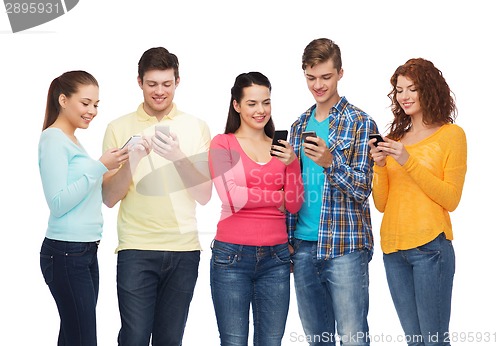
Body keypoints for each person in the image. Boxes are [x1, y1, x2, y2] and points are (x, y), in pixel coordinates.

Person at [102, 47, 212, 346]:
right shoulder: (118, 127)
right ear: (139, 82)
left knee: (169, 340)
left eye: (166, 83)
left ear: (178, 81)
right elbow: (109, 198)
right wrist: (132, 162)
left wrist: (177, 156)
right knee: (134, 338)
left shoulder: (196, 126)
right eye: (152, 83)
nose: (159, 91)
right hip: (136, 248)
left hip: (183, 250)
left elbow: (204, 195)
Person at [287, 38, 378, 345]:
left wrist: (330, 162)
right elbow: (293, 188)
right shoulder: (298, 125)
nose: (318, 85)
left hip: (345, 247)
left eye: (326, 77)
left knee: (353, 338)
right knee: (317, 339)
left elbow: (364, 188)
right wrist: (287, 239)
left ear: (340, 73)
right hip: (303, 246)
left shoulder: (361, 123)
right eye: (311, 78)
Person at [369, 58, 467, 345]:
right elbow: (383, 204)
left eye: (412, 89)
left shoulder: (452, 136)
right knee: (415, 342)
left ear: (429, 90)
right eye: (399, 90)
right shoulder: (394, 139)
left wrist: (406, 160)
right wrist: (379, 165)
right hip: (394, 251)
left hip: (431, 250)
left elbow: (451, 198)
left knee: (434, 341)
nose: (405, 96)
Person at [209, 71, 304, 346]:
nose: (260, 110)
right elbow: (231, 197)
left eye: (266, 102)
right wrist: (277, 197)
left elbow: (295, 203)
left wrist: (294, 162)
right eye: (252, 103)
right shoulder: (222, 143)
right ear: (237, 105)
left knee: (272, 341)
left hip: (276, 259)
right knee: (234, 341)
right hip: (231, 259)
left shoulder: (282, 149)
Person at [38, 70, 127, 346]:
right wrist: (99, 165)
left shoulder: (73, 140)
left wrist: (119, 166)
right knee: (82, 338)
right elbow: (58, 202)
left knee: (73, 336)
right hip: (66, 252)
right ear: (63, 100)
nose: (92, 111)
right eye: (86, 103)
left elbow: (89, 191)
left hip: (85, 250)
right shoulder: (53, 139)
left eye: (96, 105)